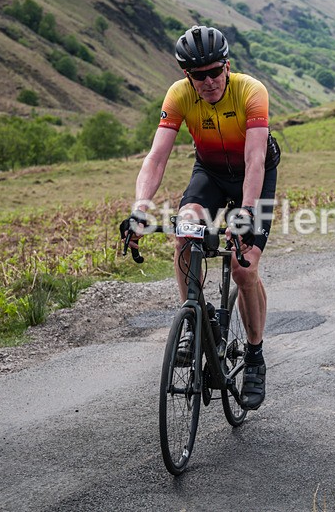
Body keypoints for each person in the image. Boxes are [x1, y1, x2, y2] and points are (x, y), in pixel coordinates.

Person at [121, 25, 280, 410]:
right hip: (208, 173)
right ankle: (192, 320)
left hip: (252, 174)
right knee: (185, 228)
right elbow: (156, 157)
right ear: (186, 76)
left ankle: (255, 357)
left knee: (244, 270)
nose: (208, 82)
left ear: (227, 66)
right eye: (198, 75)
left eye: (214, 71)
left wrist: (243, 213)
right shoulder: (179, 96)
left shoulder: (251, 91)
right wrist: (140, 207)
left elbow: (254, 159)